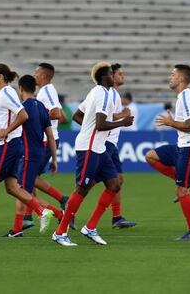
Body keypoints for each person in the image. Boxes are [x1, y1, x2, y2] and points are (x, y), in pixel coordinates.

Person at [0, 64, 53, 237]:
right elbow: (14, 116)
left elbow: (23, 115)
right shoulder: (6, 94)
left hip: (8, 145)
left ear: (1, 76)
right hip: (12, 144)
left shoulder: (6, 93)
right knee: (12, 187)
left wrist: (5, 130)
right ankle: (42, 212)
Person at [52, 62, 134, 246]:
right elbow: (101, 124)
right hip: (89, 147)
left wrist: (92, 129)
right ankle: (60, 232)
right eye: (112, 74)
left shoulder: (97, 92)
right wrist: (123, 122)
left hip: (99, 147)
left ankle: (90, 227)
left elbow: (78, 115)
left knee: (114, 185)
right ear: (104, 77)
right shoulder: (103, 94)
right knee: (81, 189)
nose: (114, 76)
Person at [145, 64, 190, 241]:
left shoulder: (186, 97)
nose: (170, 77)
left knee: (181, 190)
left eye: (173, 74)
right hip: (182, 146)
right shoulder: (188, 96)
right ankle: (185, 181)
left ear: (182, 78)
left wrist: (171, 123)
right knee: (151, 156)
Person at [5, 75, 62, 237]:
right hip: (39, 152)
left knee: (20, 190)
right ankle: (57, 213)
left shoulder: (23, 108)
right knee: (25, 191)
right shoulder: (41, 107)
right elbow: (50, 136)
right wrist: (55, 159)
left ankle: (17, 229)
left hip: (28, 154)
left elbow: (15, 130)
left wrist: (2, 131)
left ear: (20, 89)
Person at [22, 63, 69, 230]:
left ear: (44, 75)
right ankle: (29, 216)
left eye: (36, 72)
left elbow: (56, 114)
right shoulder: (48, 91)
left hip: (44, 141)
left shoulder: (46, 91)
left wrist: (36, 116)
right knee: (28, 179)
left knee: (28, 178)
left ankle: (62, 201)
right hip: (45, 140)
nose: (34, 75)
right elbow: (62, 117)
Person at [106, 63, 136, 228]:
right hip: (106, 142)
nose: (123, 76)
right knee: (89, 182)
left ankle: (116, 217)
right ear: (112, 76)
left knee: (118, 179)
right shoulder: (110, 94)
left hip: (112, 143)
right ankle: (70, 210)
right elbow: (104, 116)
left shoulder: (115, 94)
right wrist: (123, 115)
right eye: (120, 74)